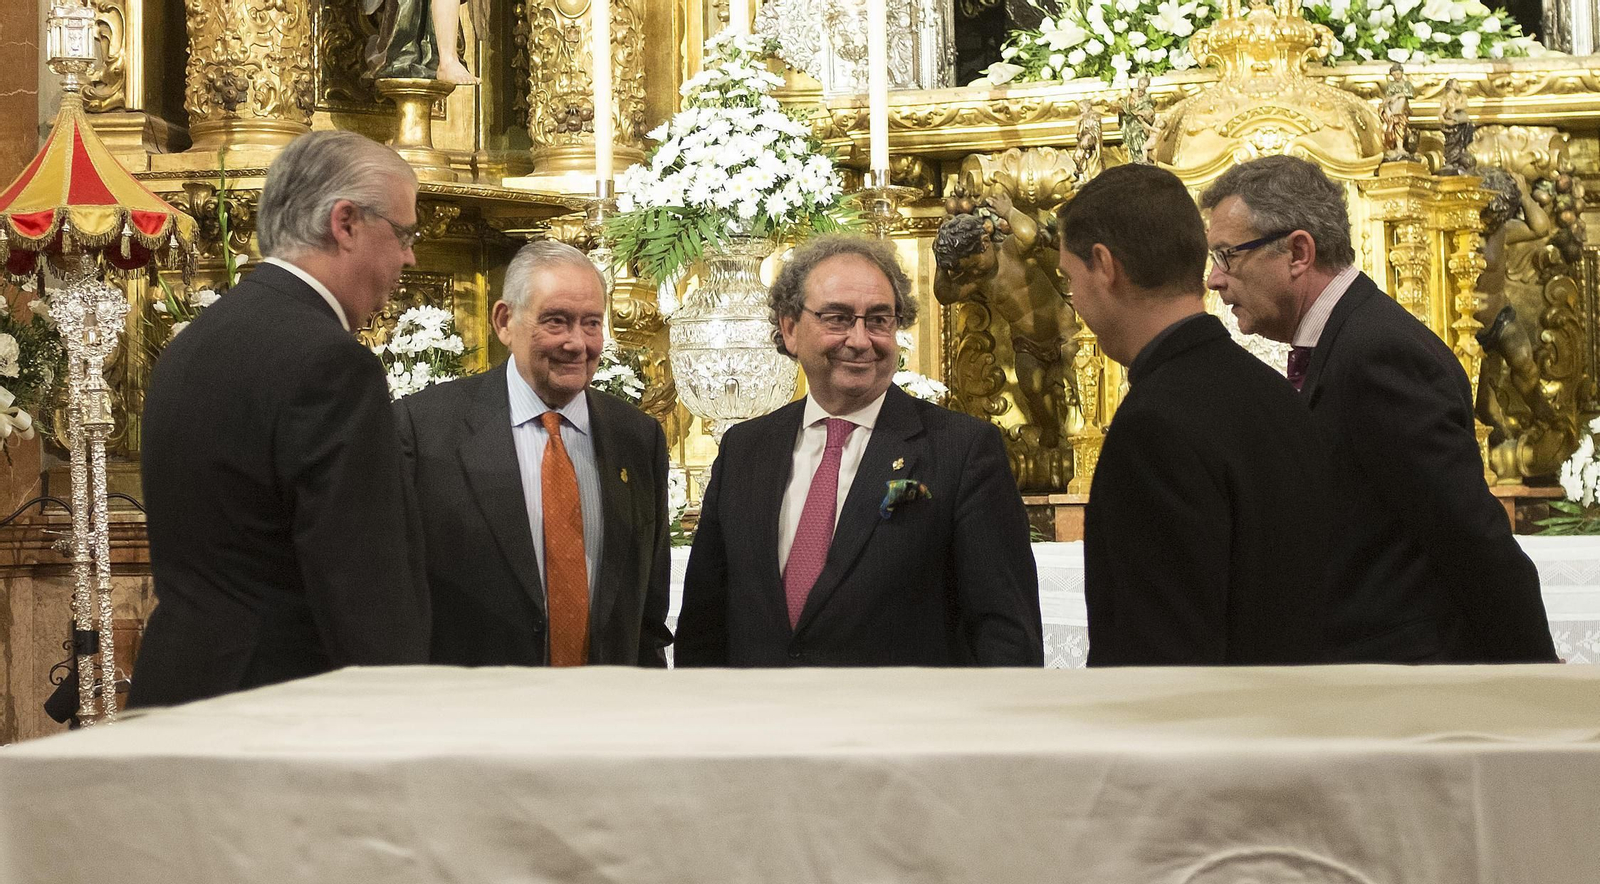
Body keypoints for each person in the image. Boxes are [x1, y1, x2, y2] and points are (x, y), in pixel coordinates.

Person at [1201, 154, 1557, 663]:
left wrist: (1534, 683)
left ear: (1298, 252)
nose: (1215, 279)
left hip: (1402, 684)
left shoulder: (1379, 354)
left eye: (1227, 256)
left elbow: (1470, 540)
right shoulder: (1350, 340)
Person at [129, 131, 431, 708]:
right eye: (404, 233)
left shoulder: (191, 344)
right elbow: (360, 580)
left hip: (181, 689)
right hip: (279, 709)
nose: (409, 256)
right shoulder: (330, 363)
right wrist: (402, 714)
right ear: (345, 223)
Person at [676, 235, 1043, 667]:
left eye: (880, 320)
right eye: (838, 318)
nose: (861, 339)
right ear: (790, 328)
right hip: (761, 725)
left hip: (899, 728)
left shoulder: (961, 451)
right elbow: (704, 626)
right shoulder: (745, 450)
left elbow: (1005, 631)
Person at [1059, 164, 1334, 665]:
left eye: (1068, 280)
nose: (1072, 301)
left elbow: (1157, 653)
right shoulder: (1272, 393)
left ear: (1104, 265)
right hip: (1294, 720)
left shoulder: (1154, 424)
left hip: (1206, 733)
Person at [395, 241, 672, 667]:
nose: (577, 343)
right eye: (556, 322)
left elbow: (647, 616)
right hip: (474, 711)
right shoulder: (425, 429)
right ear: (505, 322)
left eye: (592, 323)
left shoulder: (638, 438)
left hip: (607, 713)